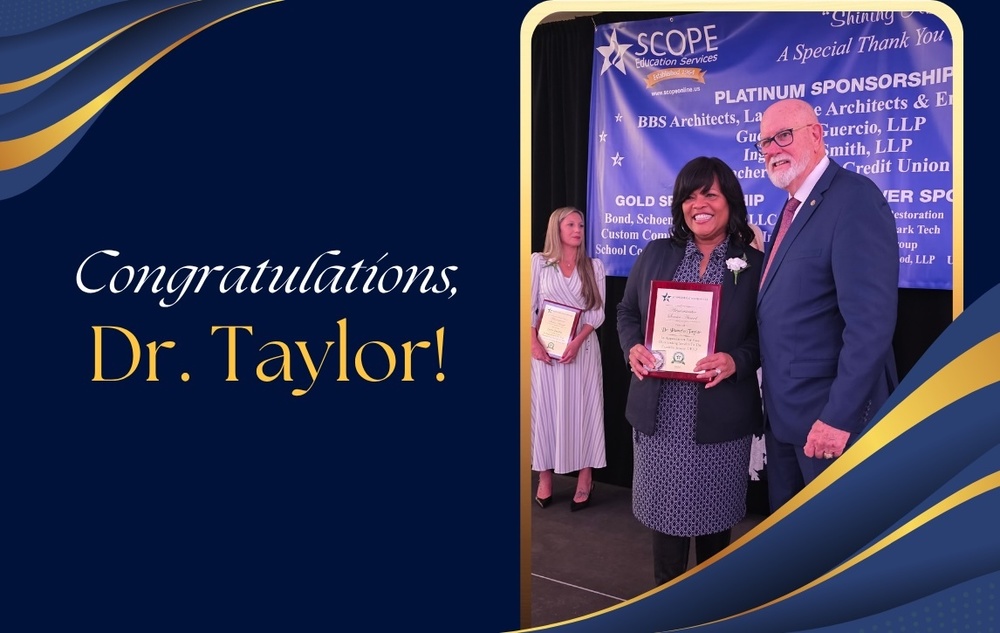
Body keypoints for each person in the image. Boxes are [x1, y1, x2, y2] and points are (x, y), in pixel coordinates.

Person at [617, 157, 764, 585]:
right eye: (689, 196)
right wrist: (633, 348)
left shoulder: (753, 265)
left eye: (710, 194)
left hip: (720, 418)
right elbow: (627, 312)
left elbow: (765, 336)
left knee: (716, 532)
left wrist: (737, 359)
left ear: (729, 201)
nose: (698, 204)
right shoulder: (656, 253)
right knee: (665, 531)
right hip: (660, 418)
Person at [754, 98, 899, 512]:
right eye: (765, 142)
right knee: (794, 554)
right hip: (785, 423)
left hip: (829, 427)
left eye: (784, 136)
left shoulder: (854, 200)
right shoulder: (793, 205)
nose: (772, 149)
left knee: (836, 556)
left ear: (816, 135)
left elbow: (870, 325)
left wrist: (838, 418)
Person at [530, 206, 607, 511]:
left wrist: (576, 342)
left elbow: (597, 312)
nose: (578, 230)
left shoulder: (593, 266)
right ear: (557, 229)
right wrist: (532, 342)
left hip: (582, 351)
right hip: (543, 353)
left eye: (581, 225)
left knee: (584, 413)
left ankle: (585, 479)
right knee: (544, 413)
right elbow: (527, 306)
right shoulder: (538, 263)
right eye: (571, 224)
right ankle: (544, 478)